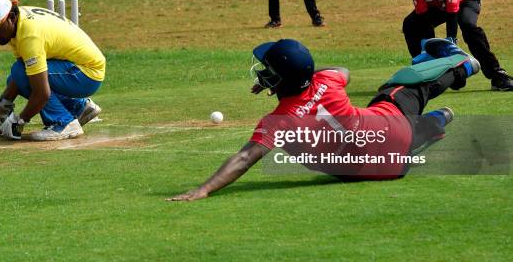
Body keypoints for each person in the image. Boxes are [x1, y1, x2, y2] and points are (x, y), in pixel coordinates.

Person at [167, 38, 480, 201]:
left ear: (280, 79)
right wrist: (306, 79)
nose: (263, 73)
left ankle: (435, 123)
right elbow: (344, 71)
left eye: (268, 72)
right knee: (400, 86)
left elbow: (246, 158)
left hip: (383, 171)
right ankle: (462, 67)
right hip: (391, 129)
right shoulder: (327, 79)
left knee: (395, 111)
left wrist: (204, 189)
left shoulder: (279, 122)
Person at [0, 0, 106, 141]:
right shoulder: (18, 23)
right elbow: (20, 74)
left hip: (87, 74)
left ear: (11, 17)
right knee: (17, 75)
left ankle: (63, 123)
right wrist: (4, 103)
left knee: (23, 74)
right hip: (76, 68)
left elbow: (41, 93)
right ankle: (78, 108)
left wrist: (19, 121)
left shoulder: (29, 35)